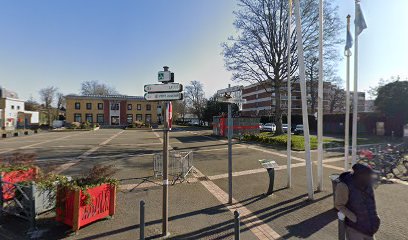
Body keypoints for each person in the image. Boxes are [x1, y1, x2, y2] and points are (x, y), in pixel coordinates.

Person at [335, 163, 381, 240]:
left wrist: (376, 218)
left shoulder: (368, 183)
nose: (370, 178)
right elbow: (339, 205)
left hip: (370, 227)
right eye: (368, 175)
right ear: (360, 175)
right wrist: (354, 218)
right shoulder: (344, 185)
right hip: (355, 229)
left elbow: (372, 203)